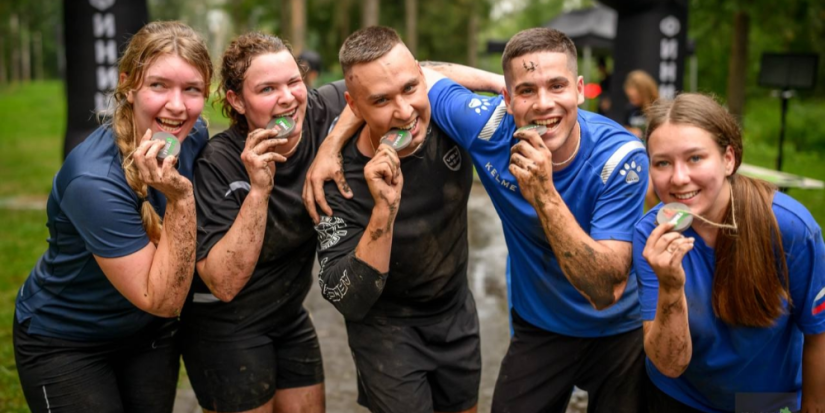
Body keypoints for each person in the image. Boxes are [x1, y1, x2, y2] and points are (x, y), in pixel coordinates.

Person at [306, 27, 648, 413]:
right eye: (526, 91)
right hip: (529, 327)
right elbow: (406, 78)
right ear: (506, 98)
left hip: (617, 330)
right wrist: (333, 146)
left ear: (580, 89)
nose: (543, 104)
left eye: (557, 86)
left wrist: (543, 192)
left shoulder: (621, 157)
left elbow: (605, 291)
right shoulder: (484, 128)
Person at [13, 21, 212, 413]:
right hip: (67, 339)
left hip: (147, 334)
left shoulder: (195, 135)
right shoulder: (93, 180)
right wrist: (181, 198)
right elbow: (164, 299)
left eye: (192, 89)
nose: (177, 105)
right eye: (159, 85)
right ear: (127, 85)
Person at [310, 26, 504, 413]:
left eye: (411, 89)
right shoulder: (336, 176)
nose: (404, 111)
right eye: (381, 101)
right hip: (386, 330)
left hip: (455, 312)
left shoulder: (447, 122)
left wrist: (501, 83)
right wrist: (384, 211)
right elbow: (346, 296)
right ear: (354, 105)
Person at [177, 32, 358, 413]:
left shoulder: (318, 113)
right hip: (225, 326)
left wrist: (330, 144)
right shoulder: (218, 163)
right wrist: (259, 191)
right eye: (267, 89)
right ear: (237, 101)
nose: (288, 97)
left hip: (288, 315)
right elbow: (223, 283)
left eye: (294, 82)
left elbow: (395, 78)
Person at [635, 93, 825, 412]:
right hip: (680, 395)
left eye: (695, 158)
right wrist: (670, 286)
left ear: (728, 159)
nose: (679, 178)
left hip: (764, 401)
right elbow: (669, 364)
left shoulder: (789, 229)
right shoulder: (650, 235)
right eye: (663, 163)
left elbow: (818, 335)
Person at [623, 69, 658, 139]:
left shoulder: (656, 108)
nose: (632, 101)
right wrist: (630, 131)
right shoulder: (630, 108)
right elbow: (625, 127)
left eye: (635, 98)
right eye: (630, 97)